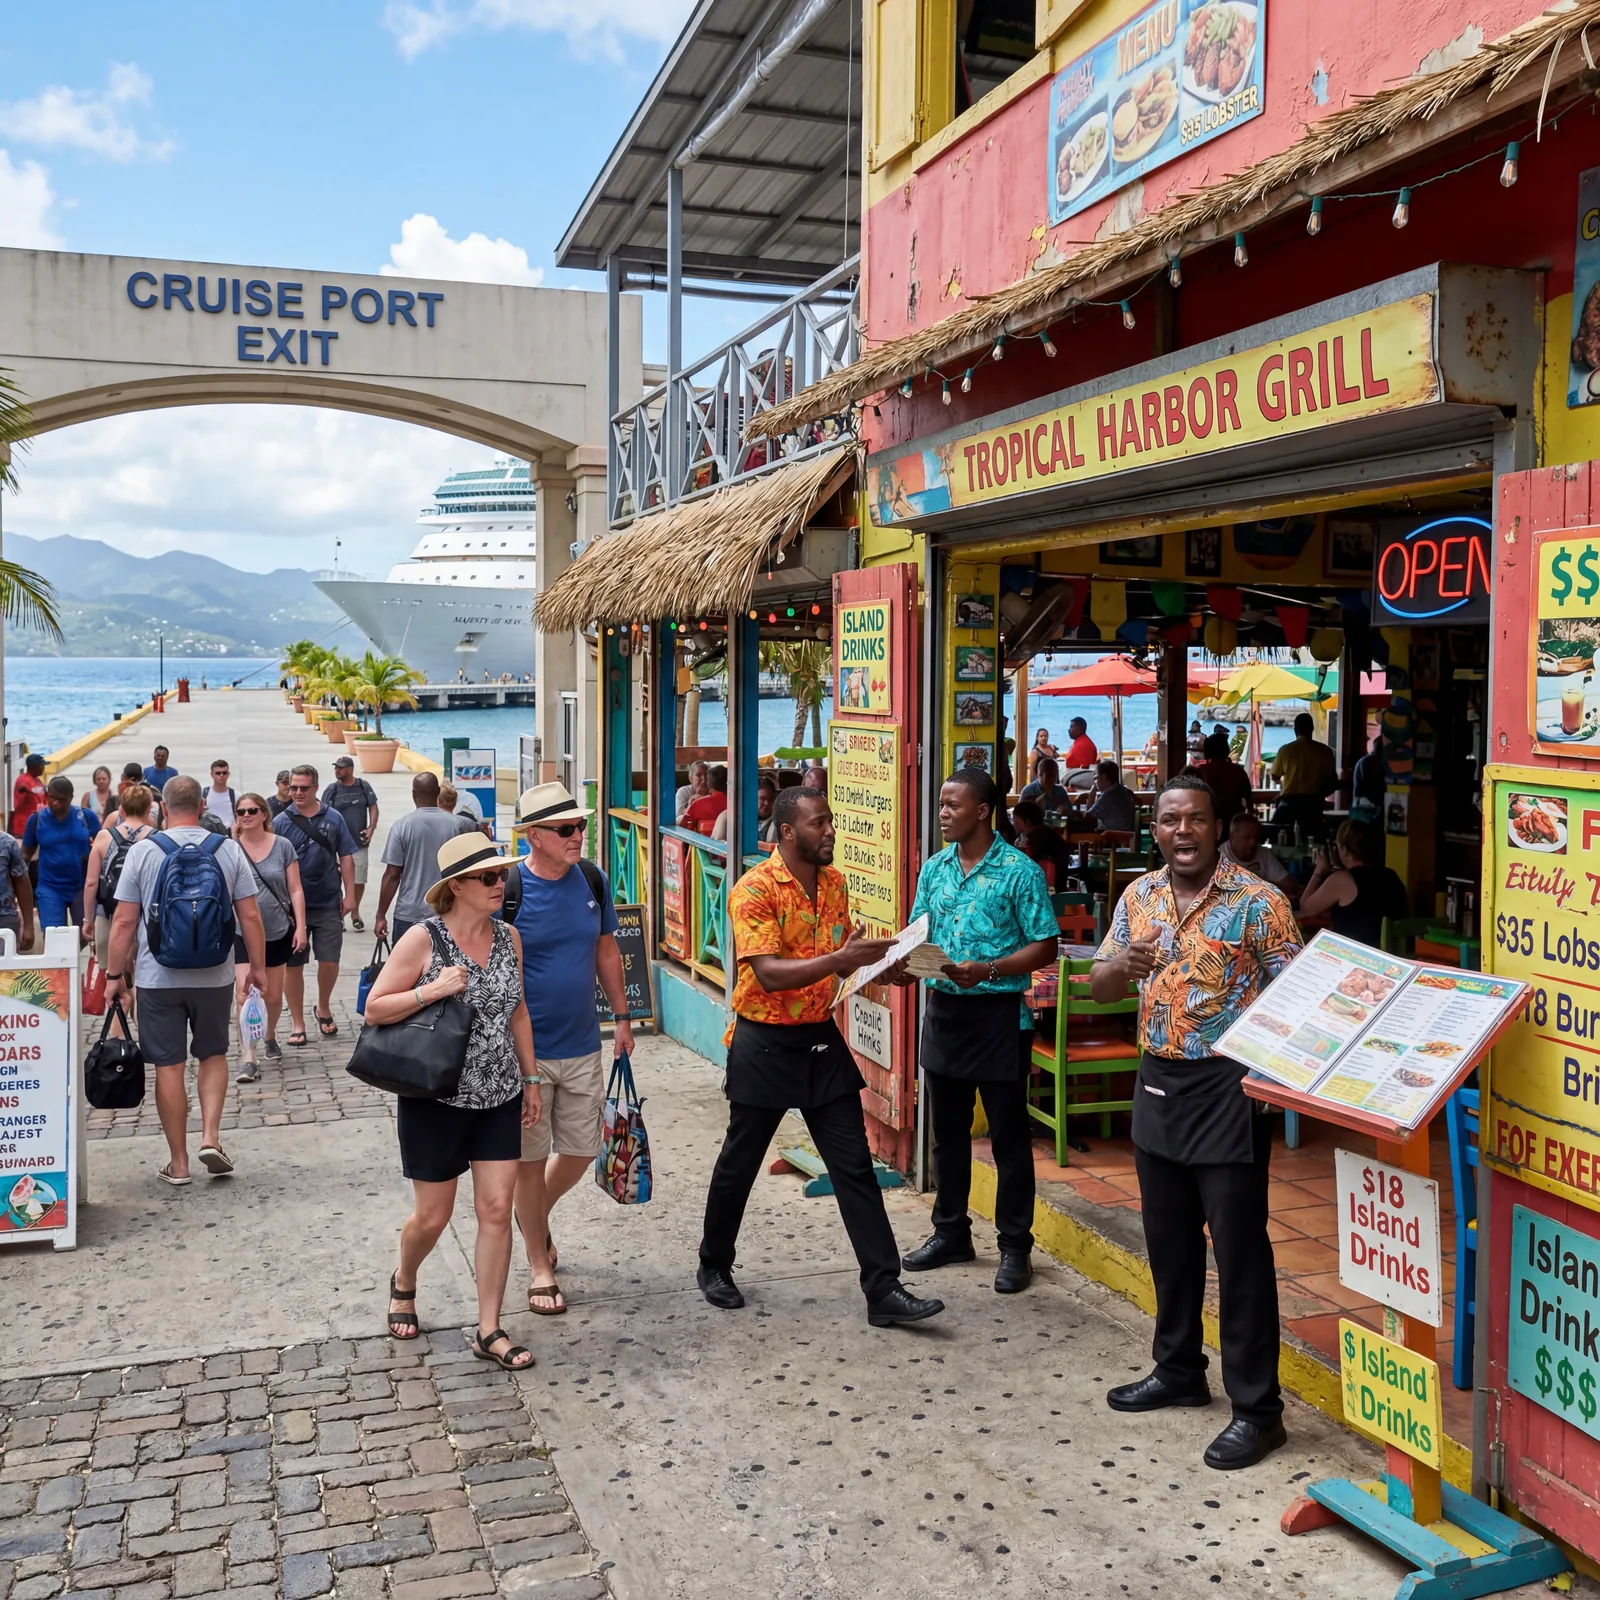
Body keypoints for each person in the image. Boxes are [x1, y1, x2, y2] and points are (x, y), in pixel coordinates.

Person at [1091, 774, 1302, 1471]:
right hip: (1157, 1079)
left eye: (1197, 820)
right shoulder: (1138, 897)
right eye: (1170, 820)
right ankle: (1178, 1369)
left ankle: (1257, 1410)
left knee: (1240, 1254)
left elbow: (1299, 995)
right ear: (1155, 829)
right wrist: (1124, 963)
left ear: (1219, 827)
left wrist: (1274, 1080)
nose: (1183, 831)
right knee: (1169, 1242)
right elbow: (1098, 984)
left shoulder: (1260, 904)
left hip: (1228, 1085)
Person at [698, 785, 943, 1326]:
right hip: (763, 1041)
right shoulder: (753, 889)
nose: (830, 830)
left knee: (853, 1164)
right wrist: (841, 956)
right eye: (818, 823)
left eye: (830, 820)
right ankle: (714, 1264)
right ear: (787, 832)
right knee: (740, 1161)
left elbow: (835, 963)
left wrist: (882, 966)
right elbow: (766, 972)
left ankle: (883, 1289)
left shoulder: (834, 883)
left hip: (819, 1037)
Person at [363, 833, 539, 1370]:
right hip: (435, 1096)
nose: (500, 884)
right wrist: (433, 990)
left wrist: (531, 1080)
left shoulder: (510, 937)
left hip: (500, 1093)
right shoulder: (423, 939)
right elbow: (374, 1009)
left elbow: (519, 1012)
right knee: (433, 1217)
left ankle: (489, 1329)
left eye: (502, 875)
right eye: (487, 877)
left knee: (494, 1211)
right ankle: (405, 1276)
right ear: (456, 886)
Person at [896, 768, 1059, 1294]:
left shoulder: (1020, 871)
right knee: (947, 1136)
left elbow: (1046, 945)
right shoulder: (935, 869)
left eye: (952, 805)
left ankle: (1015, 1248)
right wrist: (901, 960)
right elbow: (919, 929)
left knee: (1009, 1140)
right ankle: (951, 1233)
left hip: (998, 1017)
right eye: (941, 804)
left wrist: (990, 970)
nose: (943, 812)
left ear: (983, 809)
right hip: (944, 1011)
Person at [505, 783, 632, 1315]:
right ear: (534, 836)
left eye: (580, 826)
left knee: (580, 1152)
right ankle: (539, 1262)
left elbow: (607, 949)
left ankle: (533, 1215)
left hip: (583, 1042)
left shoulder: (591, 879)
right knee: (528, 1162)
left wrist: (623, 1017)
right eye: (565, 829)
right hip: (524, 1052)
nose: (578, 835)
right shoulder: (507, 888)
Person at [105, 776, 267, 1186]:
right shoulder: (227, 849)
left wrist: (113, 977)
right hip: (214, 975)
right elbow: (250, 916)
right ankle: (211, 1137)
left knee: (169, 1067)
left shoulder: (144, 852)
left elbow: (124, 920)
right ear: (201, 806)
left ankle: (178, 1164)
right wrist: (258, 968)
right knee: (213, 1054)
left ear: (162, 809)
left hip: (158, 977)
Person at [273, 764, 355, 1045]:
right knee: (292, 965)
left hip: (328, 901)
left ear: (315, 788)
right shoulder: (281, 821)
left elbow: (346, 855)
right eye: (292, 787)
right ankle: (297, 1022)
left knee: (330, 961)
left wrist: (351, 895)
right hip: (292, 909)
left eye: (303, 788)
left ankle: (323, 1005)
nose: (296, 792)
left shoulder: (334, 818)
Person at [231, 792, 306, 1082]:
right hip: (241, 931)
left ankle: (269, 1034)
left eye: (252, 810)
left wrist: (300, 927)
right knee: (243, 993)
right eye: (241, 811)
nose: (246, 815)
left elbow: (295, 889)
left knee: (273, 996)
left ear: (264, 814)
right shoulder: (231, 848)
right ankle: (247, 1056)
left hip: (276, 931)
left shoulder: (283, 847)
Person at [376, 773, 465, 945]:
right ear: (437, 792)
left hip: (409, 915)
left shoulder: (402, 826)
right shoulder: (456, 825)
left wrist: (381, 915)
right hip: (447, 913)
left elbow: (392, 875)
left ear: (413, 794)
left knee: (405, 970)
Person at [1298, 819, 1408, 947]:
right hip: (1392, 953)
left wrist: (1318, 871)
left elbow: (1306, 908)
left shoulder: (1342, 879)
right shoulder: (1391, 874)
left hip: (1355, 955)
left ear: (1344, 849)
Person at [82, 783, 156, 967]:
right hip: (145, 916)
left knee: (110, 973)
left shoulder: (103, 837)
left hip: (109, 913)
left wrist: (88, 920)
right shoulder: (158, 838)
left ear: (121, 809)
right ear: (148, 809)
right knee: (142, 974)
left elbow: (91, 883)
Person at [24, 777, 99, 933]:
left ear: (71, 798)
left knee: (85, 935)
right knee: (54, 937)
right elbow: (25, 855)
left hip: (81, 888)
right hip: (50, 888)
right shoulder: (36, 820)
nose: (55, 803)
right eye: (52, 797)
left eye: (61, 799)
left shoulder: (86, 817)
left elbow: (103, 848)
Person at [323, 756, 380, 931]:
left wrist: (371, 828)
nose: (337, 771)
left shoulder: (363, 786)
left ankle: (354, 911)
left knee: (359, 879)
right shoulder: (331, 790)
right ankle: (338, 915)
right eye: (336, 768)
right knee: (335, 879)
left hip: (358, 843)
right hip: (335, 845)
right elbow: (322, 812)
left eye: (340, 768)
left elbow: (373, 807)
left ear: (350, 769)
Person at [1269, 713, 1338, 833]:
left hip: (1289, 803)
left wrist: (1286, 781)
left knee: (1281, 836)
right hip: (1314, 804)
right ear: (1312, 728)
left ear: (1295, 730)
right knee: (1312, 838)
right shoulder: (1325, 751)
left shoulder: (1285, 750)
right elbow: (1331, 781)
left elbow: (1275, 775)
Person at [1221, 811, 1298, 902]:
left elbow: (1290, 886)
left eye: (1256, 837)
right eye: (1247, 838)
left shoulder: (1263, 853)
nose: (1253, 842)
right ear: (1232, 836)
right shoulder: (1219, 858)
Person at [1189, 732, 1252, 825]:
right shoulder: (1238, 771)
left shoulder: (1199, 771)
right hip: (1232, 823)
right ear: (1226, 750)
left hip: (1206, 822)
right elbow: (1249, 801)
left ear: (1207, 751)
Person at [1010, 799, 1075, 887]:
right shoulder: (1051, 834)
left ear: (1027, 821)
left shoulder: (1027, 840)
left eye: (1016, 822)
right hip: (1059, 891)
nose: (1014, 825)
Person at [0, 824, 35, 951]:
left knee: (5, 971)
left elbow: (21, 881)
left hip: (4, 920)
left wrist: (28, 926)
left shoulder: (6, 843)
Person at [1083, 760, 1138, 834]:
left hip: (1115, 835)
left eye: (1096, 778)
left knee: (1078, 826)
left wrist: (1092, 794)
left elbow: (1088, 816)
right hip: (1126, 831)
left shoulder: (1109, 794)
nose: (1095, 782)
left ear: (1104, 777)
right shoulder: (1121, 789)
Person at [10, 752, 46, 840]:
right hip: (24, 826)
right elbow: (18, 804)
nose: (43, 768)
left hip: (37, 823)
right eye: (42, 765)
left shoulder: (37, 780)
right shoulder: (23, 781)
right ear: (34, 767)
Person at [683, 765, 728, 834]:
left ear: (708, 784)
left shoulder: (698, 804)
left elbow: (684, 829)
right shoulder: (739, 804)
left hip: (699, 843)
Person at [1352, 734, 1385, 814]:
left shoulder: (1366, 760)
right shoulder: (1371, 761)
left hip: (1363, 805)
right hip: (1368, 807)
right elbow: (1373, 786)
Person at [202, 760, 237, 828]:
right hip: (209, 831)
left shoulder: (235, 795)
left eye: (224, 773)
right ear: (212, 775)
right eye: (218, 773)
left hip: (229, 833)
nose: (221, 775)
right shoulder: (203, 793)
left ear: (228, 774)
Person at [676, 761, 710, 825]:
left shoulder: (714, 791)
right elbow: (678, 819)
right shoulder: (683, 792)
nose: (704, 779)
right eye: (698, 775)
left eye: (706, 775)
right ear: (691, 778)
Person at [756, 776, 780, 844]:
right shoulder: (743, 820)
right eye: (762, 799)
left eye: (770, 799)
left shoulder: (778, 823)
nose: (767, 803)